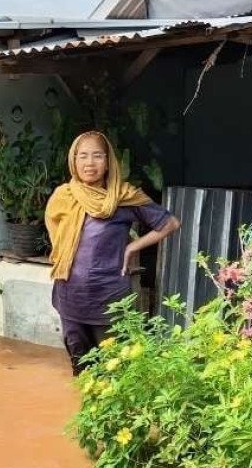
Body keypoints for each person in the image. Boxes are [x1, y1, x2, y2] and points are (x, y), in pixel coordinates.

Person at [45, 131, 180, 374]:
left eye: (97, 156)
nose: (90, 163)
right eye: (83, 156)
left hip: (109, 299)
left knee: (114, 368)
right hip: (70, 296)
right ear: (73, 161)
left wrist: (132, 246)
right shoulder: (63, 196)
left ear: (108, 162)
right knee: (81, 369)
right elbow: (57, 238)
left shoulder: (124, 197)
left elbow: (169, 223)